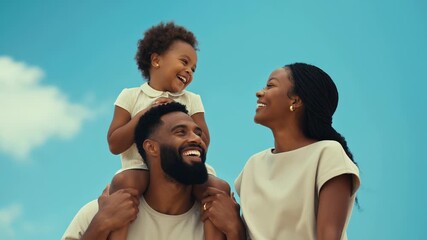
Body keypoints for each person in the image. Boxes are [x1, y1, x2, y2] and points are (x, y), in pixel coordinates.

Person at [202, 63, 361, 240]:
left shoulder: (327, 154)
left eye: (270, 86)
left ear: (295, 100)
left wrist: (235, 229)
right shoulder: (253, 166)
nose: (259, 92)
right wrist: (235, 230)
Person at [107, 22, 228, 239]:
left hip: (182, 166)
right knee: (123, 184)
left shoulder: (192, 100)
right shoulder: (131, 96)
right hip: (139, 167)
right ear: (156, 60)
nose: (189, 71)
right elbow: (115, 144)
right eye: (184, 62)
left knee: (218, 188)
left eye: (193, 69)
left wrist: (181, 119)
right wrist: (145, 114)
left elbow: (205, 140)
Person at [62, 102, 240, 240]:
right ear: (151, 148)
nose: (196, 139)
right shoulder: (100, 212)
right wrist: (99, 226)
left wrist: (236, 231)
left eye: (198, 133)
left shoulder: (221, 219)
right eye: (180, 132)